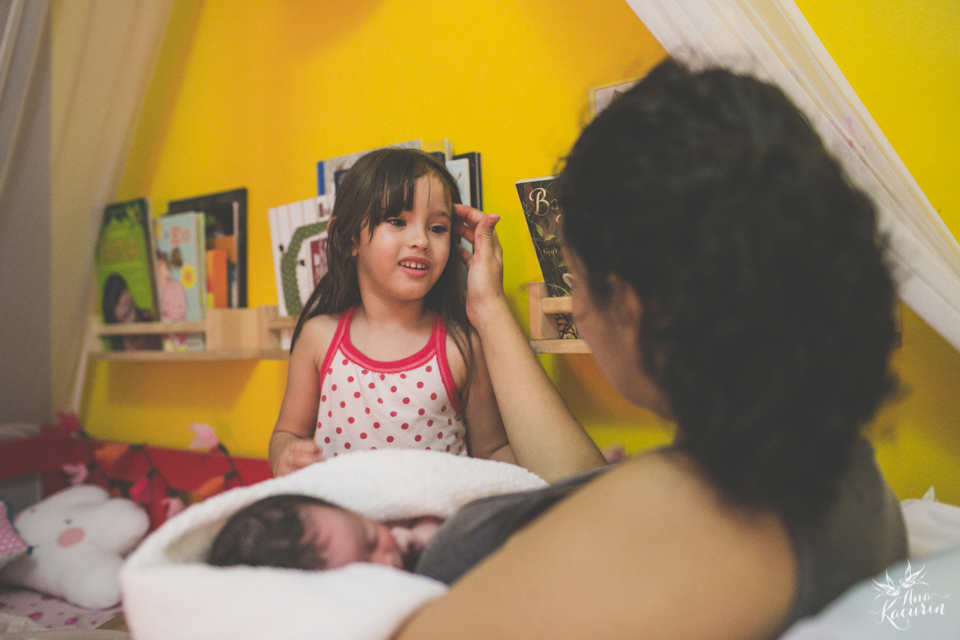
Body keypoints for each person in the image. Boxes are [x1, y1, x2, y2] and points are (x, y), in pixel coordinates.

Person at [394, 59, 907, 639]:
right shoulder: (836, 469)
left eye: (576, 280)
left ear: (632, 306)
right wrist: (486, 306)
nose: (579, 311)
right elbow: (592, 488)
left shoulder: (673, 534)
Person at [268, 149, 515, 477]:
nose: (421, 240)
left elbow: (492, 450)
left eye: (438, 228)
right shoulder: (318, 338)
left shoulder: (461, 346)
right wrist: (286, 455)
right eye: (397, 221)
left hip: (437, 523)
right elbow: (288, 433)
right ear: (347, 238)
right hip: (346, 521)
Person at [207, 494, 443, 572]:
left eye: (373, 539)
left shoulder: (398, 534)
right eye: (365, 572)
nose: (387, 562)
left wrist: (421, 536)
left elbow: (436, 513)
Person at [100, 272, 162, 351]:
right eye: (116, 301)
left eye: (124, 291)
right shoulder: (118, 354)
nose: (123, 300)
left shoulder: (148, 320)